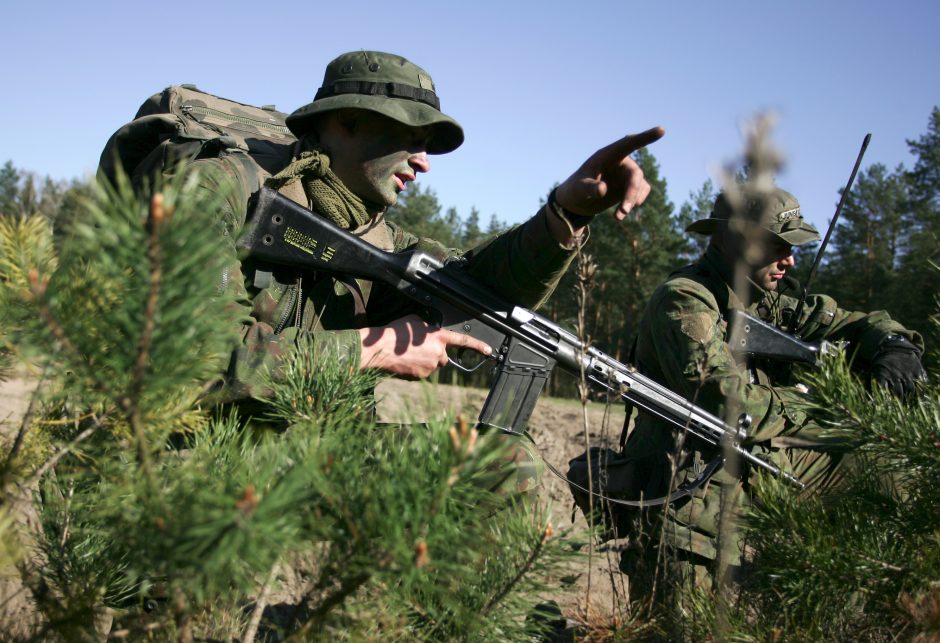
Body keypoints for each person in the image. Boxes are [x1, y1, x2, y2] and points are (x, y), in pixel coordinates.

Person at [163, 50, 663, 408]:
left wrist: (567, 212)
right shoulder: (220, 188)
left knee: (502, 466)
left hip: (298, 449)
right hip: (188, 462)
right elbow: (194, 362)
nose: (423, 162)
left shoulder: (376, 239)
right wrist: (373, 348)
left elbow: (483, 286)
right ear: (346, 121)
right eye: (409, 137)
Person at [618, 186, 926, 597]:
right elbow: (729, 401)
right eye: (777, 247)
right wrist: (828, 401)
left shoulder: (770, 301)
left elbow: (854, 321)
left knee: (884, 465)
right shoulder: (685, 301)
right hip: (690, 498)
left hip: (758, 473)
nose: (790, 260)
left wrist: (894, 345)